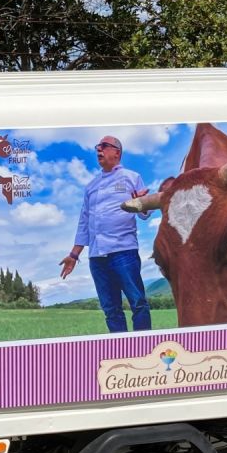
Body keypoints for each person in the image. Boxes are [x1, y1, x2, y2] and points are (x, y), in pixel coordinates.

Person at [59, 135, 152, 333]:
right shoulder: (91, 186)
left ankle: (144, 350)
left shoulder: (131, 177)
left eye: (104, 146)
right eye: (97, 147)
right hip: (96, 257)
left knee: (138, 303)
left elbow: (146, 214)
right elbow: (84, 221)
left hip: (124, 251)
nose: (99, 150)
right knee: (110, 309)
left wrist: (141, 204)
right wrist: (74, 255)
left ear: (117, 152)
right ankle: (122, 353)